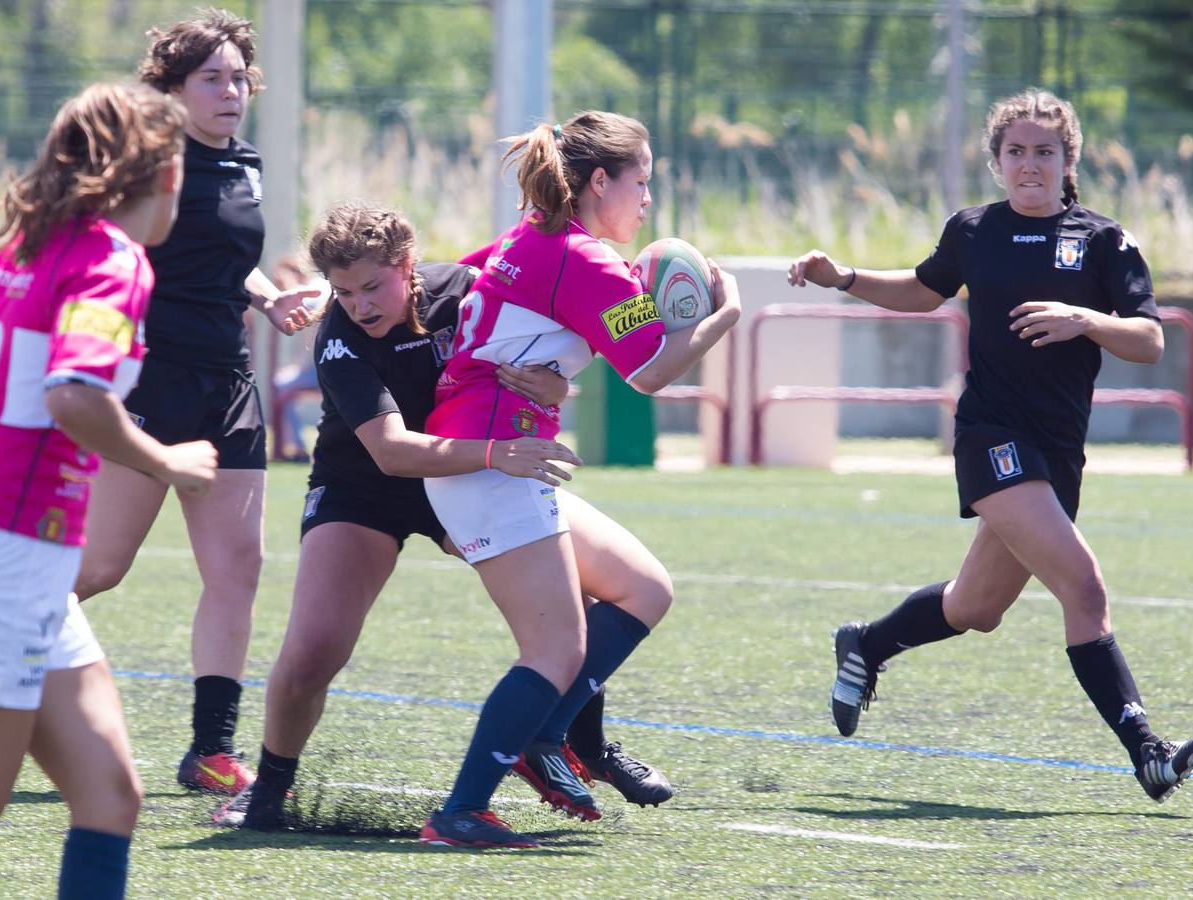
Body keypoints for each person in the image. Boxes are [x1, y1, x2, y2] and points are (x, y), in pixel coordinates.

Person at [786, 89, 1193, 803]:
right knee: (1085, 586)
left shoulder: (1105, 242)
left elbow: (1150, 339)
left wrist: (1085, 319)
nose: (1030, 164)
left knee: (975, 607)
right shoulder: (974, 231)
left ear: (1067, 159)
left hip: (1058, 451)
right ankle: (1148, 754)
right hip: (993, 439)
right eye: (1016, 151)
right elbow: (924, 291)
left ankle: (867, 644)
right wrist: (846, 278)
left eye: (1045, 151)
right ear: (997, 161)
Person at [213, 203, 673, 829]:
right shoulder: (340, 337)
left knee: (612, 588)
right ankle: (269, 789)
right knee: (313, 652)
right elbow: (391, 451)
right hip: (367, 490)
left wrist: (558, 385)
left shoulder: (466, 289)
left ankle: (568, 742)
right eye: (344, 292)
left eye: (373, 286)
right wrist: (500, 452)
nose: (360, 305)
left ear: (408, 267)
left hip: (470, 476)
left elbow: (554, 342)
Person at [416, 110, 740, 848]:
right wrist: (728, 312)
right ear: (600, 182)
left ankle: (547, 735)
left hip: (503, 455)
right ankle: (460, 812)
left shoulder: (533, 235)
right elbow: (650, 371)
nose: (648, 200)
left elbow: (453, 282)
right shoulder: (584, 261)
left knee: (643, 587)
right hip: (488, 463)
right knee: (555, 651)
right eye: (642, 182)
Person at [73, 8, 319, 796]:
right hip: (150, 386)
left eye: (239, 77)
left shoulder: (244, 163)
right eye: (211, 78)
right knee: (101, 567)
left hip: (230, 387)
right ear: (171, 91)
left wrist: (267, 300)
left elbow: (224, 260)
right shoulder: (145, 168)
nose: (231, 91)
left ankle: (209, 749)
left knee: (238, 567)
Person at [0, 82, 219, 899]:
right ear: (163, 176)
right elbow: (75, 394)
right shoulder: (112, 262)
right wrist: (165, 460)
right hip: (10, 556)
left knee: (110, 795)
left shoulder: (20, 249)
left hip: (30, 564)